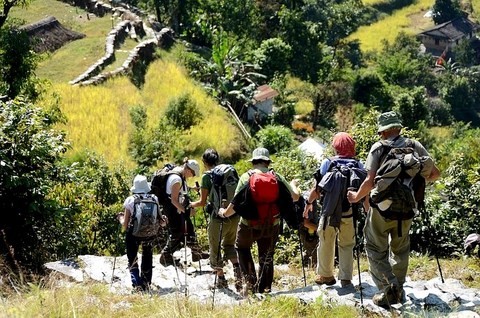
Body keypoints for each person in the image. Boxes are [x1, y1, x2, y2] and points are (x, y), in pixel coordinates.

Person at [347, 111, 440, 307]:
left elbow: (369, 181)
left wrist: (356, 197)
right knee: (401, 247)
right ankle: (399, 288)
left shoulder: (379, 148)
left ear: (383, 131)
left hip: (381, 208)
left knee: (374, 247)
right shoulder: (415, 146)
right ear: (398, 128)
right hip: (407, 207)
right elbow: (434, 173)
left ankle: (389, 288)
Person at [219, 147, 300, 296]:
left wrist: (224, 213)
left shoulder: (246, 177)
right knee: (267, 256)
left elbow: (236, 204)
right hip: (272, 224)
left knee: (242, 248)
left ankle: (250, 284)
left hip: (248, 225)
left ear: (253, 162)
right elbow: (295, 197)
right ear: (268, 162)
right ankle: (265, 290)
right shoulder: (276, 176)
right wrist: (294, 185)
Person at [304, 132, 365, 288]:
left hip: (329, 211)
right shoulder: (358, 165)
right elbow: (364, 191)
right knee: (347, 244)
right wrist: (367, 209)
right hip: (349, 211)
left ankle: (326, 276)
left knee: (326, 241)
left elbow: (317, 189)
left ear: (336, 147)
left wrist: (308, 203)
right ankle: (345, 278)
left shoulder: (327, 163)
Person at [190, 149, 242, 290]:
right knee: (230, 245)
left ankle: (221, 279)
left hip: (218, 219)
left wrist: (189, 204)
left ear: (204, 162)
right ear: (217, 159)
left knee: (215, 248)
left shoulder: (207, 177)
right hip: (234, 215)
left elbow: (202, 202)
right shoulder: (228, 171)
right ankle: (238, 272)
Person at [122, 174, 165, 291]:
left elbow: (125, 225)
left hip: (134, 234)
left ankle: (137, 283)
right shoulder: (154, 199)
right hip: (150, 234)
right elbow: (161, 221)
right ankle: (146, 283)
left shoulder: (130, 200)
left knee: (132, 257)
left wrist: (120, 219)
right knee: (147, 256)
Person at [159, 158, 204, 266]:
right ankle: (165, 256)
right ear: (188, 169)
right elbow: (174, 200)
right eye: (193, 174)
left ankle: (196, 253)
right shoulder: (176, 179)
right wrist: (187, 211)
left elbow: (180, 189)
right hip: (173, 210)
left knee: (189, 228)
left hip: (177, 209)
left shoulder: (180, 175)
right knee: (177, 233)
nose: (192, 176)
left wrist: (191, 188)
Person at [296, 191, 319, 268]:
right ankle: (311, 270)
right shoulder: (309, 201)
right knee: (313, 253)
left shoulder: (311, 199)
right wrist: (321, 230)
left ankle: (308, 267)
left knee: (309, 252)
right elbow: (306, 223)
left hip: (310, 231)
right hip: (308, 233)